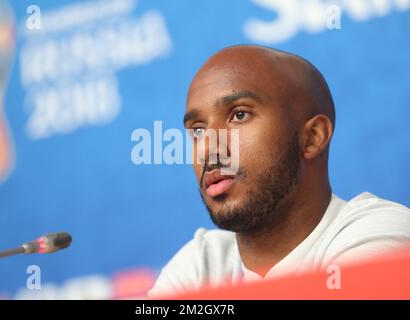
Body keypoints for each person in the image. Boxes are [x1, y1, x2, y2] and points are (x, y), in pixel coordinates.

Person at [148, 45, 410, 297]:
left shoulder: (380, 233)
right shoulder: (201, 265)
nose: (208, 149)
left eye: (239, 115)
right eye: (198, 130)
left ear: (312, 137)